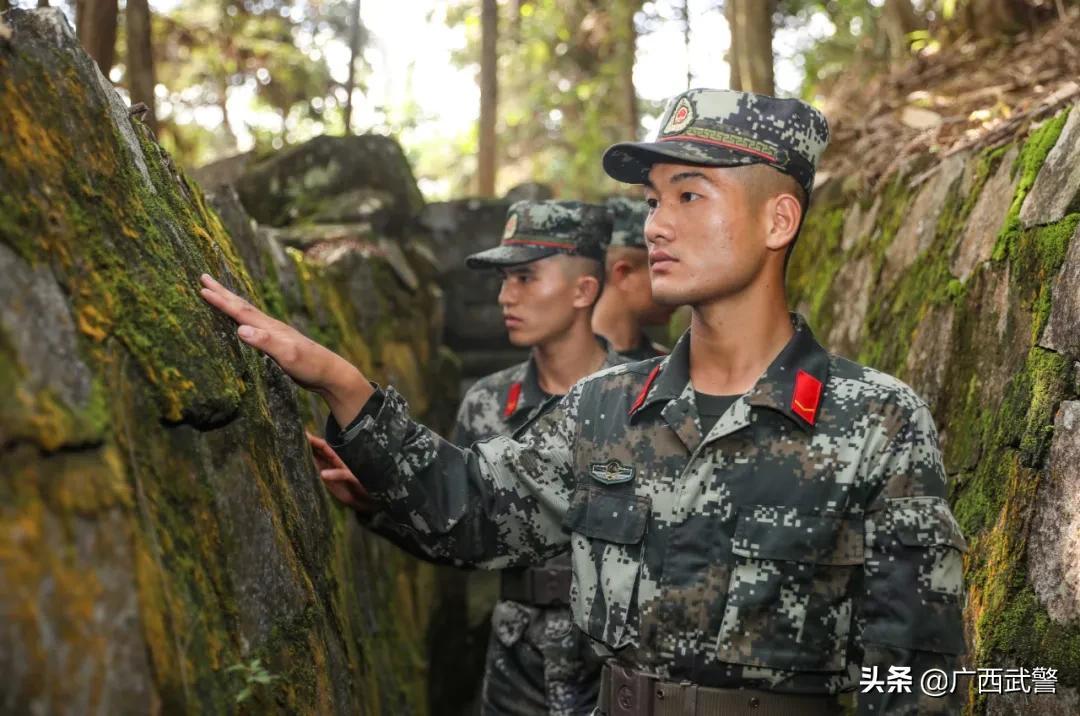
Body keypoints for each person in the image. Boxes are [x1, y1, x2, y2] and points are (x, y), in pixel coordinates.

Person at [199, 88, 967, 716]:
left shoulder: (876, 421)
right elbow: (470, 513)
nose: (657, 224)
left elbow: (918, 680)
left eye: (689, 194)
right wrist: (340, 381)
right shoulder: (603, 409)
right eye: (653, 198)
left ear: (779, 219)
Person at [314, 200, 627, 716]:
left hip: (615, 661)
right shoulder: (486, 402)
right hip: (516, 659)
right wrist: (379, 508)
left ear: (583, 290)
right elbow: (458, 529)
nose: (506, 296)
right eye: (505, 279)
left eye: (525, 277)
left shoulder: (643, 400)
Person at [592, 198, 674, 361]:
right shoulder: (567, 368)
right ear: (624, 274)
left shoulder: (668, 366)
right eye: (662, 266)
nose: (674, 283)